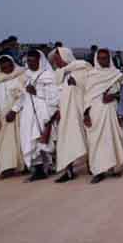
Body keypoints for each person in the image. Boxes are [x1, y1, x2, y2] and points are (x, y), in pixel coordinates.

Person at [84, 49, 123, 183]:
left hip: (111, 110)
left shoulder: (116, 74)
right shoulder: (91, 75)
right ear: (97, 59)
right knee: (96, 141)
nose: (104, 61)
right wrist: (86, 114)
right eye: (101, 58)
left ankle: (114, 168)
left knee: (112, 139)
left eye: (106, 58)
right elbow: (86, 97)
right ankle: (98, 171)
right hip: (95, 113)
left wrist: (114, 96)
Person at [49, 47, 91, 183]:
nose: (56, 62)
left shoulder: (81, 69)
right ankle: (68, 171)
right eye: (55, 60)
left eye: (58, 59)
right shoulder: (58, 74)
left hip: (81, 110)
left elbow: (89, 89)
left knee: (88, 138)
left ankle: (92, 166)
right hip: (65, 114)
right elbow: (55, 95)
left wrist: (77, 85)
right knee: (65, 141)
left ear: (65, 56)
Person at [20, 50, 59, 181]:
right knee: (31, 140)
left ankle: (47, 167)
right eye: (28, 61)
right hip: (29, 112)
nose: (30, 63)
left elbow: (53, 97)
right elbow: (23, 96)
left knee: (43, 140)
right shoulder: (27, 75)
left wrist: (36, 92)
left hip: (43, 111)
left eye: (32, 60)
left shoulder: (48, 75)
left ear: (39, 61)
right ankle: (38, 168)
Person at [0, 55, 26, 177]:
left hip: (16, 114)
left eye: (9, 65)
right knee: (2, 142)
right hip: (2, 117)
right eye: (4, 66)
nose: (7, 68)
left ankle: (10, 167)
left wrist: (14, 110)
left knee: (16, 141)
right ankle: (8, 165)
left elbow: (23, 96)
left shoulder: (20, 76)